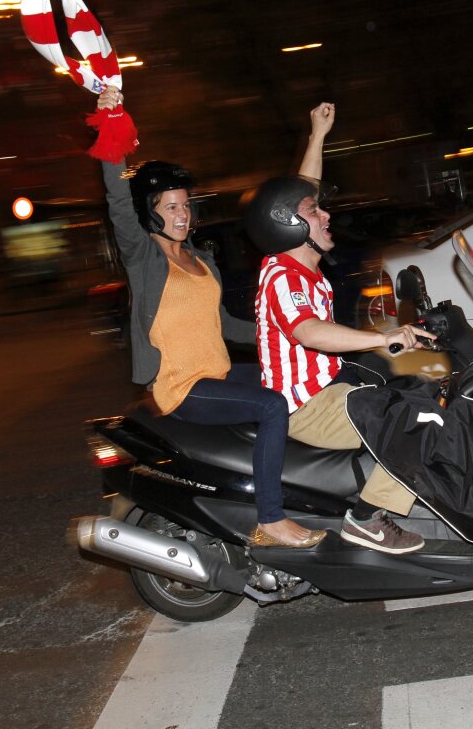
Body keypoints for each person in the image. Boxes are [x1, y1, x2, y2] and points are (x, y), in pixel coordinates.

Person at [94, 86, 326, 549]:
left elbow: (224, 325)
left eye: (186, 205)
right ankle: (271, 518)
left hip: (217, 374)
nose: (183, 214)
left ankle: (305, 485)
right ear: (150, 214)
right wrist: (111, 126)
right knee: (271, 405)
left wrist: (291, 335)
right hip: (182, 387)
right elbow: (117, 200)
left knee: (292, 382)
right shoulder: (145, 258)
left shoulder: (201, 259)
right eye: (171, 207)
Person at [245, 103, 436, 555]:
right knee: (416, 422)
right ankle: (368, 519)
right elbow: (309, 332)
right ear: (290, 224)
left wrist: (317, 134)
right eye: (315, 212)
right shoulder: (283, 275)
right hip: (307, 406)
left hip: (331, 389)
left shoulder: (302, 269)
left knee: (423, 391)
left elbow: (300, 194)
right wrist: (384, 337)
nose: (326, 216)